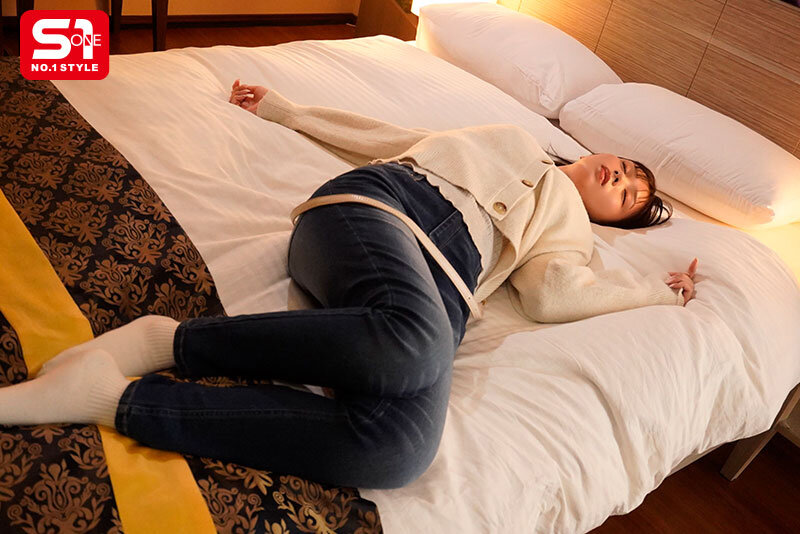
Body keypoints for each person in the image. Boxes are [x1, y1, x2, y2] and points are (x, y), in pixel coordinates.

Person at [0, 80, 698, 489]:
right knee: (419, 346)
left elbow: (552, 295)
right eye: (627, 168)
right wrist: (287, 112)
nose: (623, 179)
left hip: (442, 293)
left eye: (630, 197)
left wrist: (655, 293)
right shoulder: (514, 139)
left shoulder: (571, 231)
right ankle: (171, 343)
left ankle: (113, 399)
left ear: (613, 221)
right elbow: (393, 139)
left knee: (399, 451)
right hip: (376, 212)